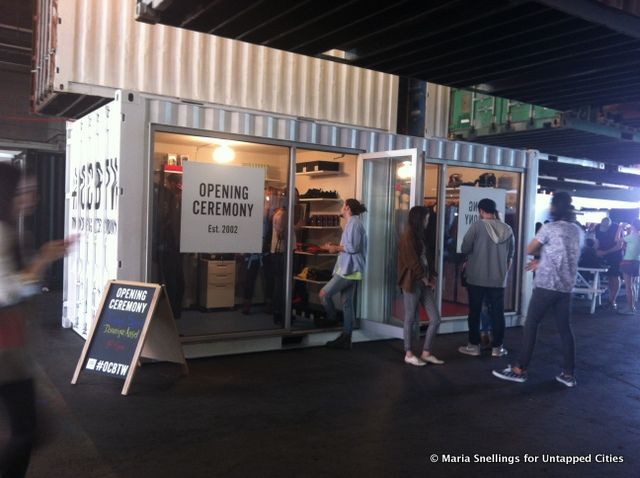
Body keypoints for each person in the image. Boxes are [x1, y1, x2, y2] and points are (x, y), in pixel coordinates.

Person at [0, 163, 74, 477]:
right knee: (26, 430)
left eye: (33, 190)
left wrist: (41, 259)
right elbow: (6, 291)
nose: (33, 197)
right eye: (25, 191)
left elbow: (23, 285)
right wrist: (43, 259)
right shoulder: (3, 232)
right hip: (6, 350)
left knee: (28, 429)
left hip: (13, 348)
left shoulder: (15, 230)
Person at [493, 191, 583, 387]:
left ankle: (519, 369)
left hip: (546, 285)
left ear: (555, 207)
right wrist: (543, 261)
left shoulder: (549, 228)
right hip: (566, 287)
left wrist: (541, 259)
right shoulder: (577, 230)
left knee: (531, 324)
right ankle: (569, 374)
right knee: (565, 329)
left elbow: (530, 249)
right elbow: (566, 256)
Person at [458, 198, 514, 358]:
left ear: (481, 211)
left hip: (476, 277)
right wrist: (503, 274)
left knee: (475, 312)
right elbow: (510, 255)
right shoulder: (507, 229)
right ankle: (497, 348)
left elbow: (464, 248)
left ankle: (474, 346)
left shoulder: (477, 226)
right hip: (498, 280)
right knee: (497, 313)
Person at [397, 206, 444, 366]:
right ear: (419, 219)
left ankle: (426, 352)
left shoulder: (419, 235)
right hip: (412, 282)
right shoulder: (408, 237)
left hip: (423, 281)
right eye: (426, 218)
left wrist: (431, 276)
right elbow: (412, 261)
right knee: (410, 318)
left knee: (435, 319)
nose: (427, 221)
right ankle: (408, 353)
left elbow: (425, 259)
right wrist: (426, 279)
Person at [320, 199, 367, 349]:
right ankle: (347, 337)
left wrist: (335, 248)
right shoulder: (352, 223)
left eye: (343, 205)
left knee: (324, 294)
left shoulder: (354, 224)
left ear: (347, 208)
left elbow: (353, 248)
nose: (341, 207)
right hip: (349, 269)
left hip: (349, 271)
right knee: (347, 303)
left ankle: (332, 319)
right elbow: (349, 246)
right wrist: (335, 246)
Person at [159, 173, 184, 318]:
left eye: (167, 183)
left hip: (173, 245)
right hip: (179, 244)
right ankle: (176, 309)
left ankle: (173, 310)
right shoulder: (180, 197)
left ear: (172, 183)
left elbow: (174, 224)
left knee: (172, 278)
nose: (166, 186)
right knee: (178, 277)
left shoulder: (174, 198)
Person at [595, 217, 623, 310]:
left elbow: (619, 246)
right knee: (610, 277)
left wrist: (604, 252)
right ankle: (610, 300)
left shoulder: (617, 228)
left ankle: (612, 301)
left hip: (616, 255)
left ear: (610, 226)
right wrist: (596, 251)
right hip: (605, 255)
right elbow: (597, 241)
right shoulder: (598, 227)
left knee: (615, 277)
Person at [617, 219, 640, 315]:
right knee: (632, 286)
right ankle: (632, 307)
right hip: (636, 262)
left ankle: (630, 308)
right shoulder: (637, 237)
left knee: (628, 287)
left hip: (628, 262)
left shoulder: (631, 236)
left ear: (633, 226)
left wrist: (619, 228)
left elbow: (617, 239)